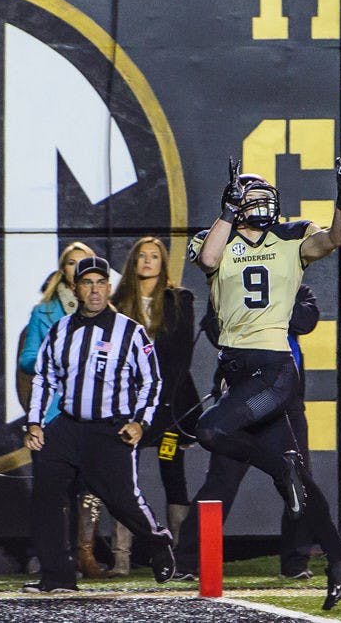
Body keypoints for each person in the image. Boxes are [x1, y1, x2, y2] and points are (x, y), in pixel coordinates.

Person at [189, 158, 341, 610]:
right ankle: (340, 555)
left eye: (267, 199)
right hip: (236, 370)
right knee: (297, 472)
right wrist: (226, 213)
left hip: (274, 368)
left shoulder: (291, 237)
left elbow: (337, 237)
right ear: (235, 205)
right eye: (253, 200)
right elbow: (207, 258)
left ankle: (279, 470)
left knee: (211, 430)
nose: (263, 206)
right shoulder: (218, 238)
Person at [23, 256, 175, 593]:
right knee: (46, 495)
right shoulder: (59, 330)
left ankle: (158, 541)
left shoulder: (130, 331)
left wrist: (140, 422)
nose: (94, 290)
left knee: (122, 501)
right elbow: (44, 379)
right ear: (75, 288)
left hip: (111, 429)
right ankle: (57, 576)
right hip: (68, 425)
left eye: (100, 282)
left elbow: (152, 382)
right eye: (87, 283)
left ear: (109, 287)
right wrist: (35, 422)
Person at [174, 284, 319, 580]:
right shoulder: (228, 285)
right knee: (220, 484)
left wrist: (264, 305)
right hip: (239, 400)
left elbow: (307, 319)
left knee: (298, 481)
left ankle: (295, 563)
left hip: (284, 402)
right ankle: (186, 561)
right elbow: (215, 329)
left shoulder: (295, 287)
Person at [110, 236, 200, 576]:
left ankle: (176, 557)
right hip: (127, 409)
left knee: (172, 472)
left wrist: (162, 403)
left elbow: (180, 358)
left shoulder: (178, 300)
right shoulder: (116, 303)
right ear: (133, 263)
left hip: (170, 408)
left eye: (154, 256)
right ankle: (121, 559)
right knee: (123, 478)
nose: (147, 261)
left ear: (163, 263)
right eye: (141, 256)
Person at [16, 241, 101, 578]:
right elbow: (27, 359)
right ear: (65, 272)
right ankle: (52, 557)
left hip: (91, 414)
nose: (78, 269)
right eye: (72, 263)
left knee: (87, 490)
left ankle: (84, 556)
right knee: (52, 492)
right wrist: (61, 358)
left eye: (86, 265)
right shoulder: (45, 312)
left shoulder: (103, 315)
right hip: (52, 414)